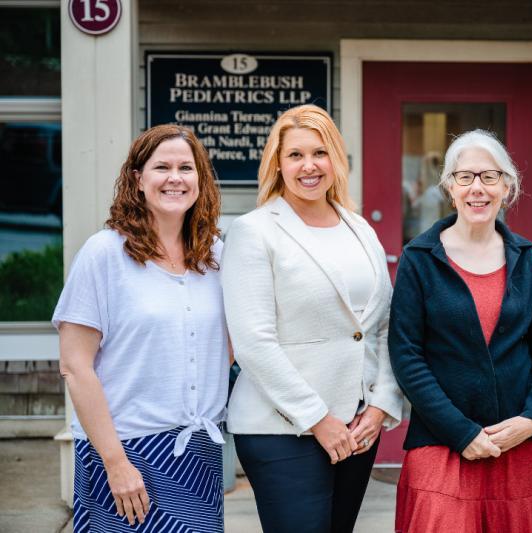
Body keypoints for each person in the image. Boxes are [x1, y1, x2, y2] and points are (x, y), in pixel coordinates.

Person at [221, 104, 403, 533]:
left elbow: (383, 326)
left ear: (336, 159)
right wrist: (319, 419)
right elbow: (253, 343)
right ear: (277, 164)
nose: (309, 166)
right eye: (295, 155)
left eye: (320, 153)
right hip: (281, 429)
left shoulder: (360, 229)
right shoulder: (254, 231)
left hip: (357, 426)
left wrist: (381, 405)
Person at [389, 129, 532, 533]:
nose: (477, 188)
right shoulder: (419, 258)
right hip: (442, 442)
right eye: (465, 176)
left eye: (489, 176)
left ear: (507, 187)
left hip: (521, 445)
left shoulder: (525, 257)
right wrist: (461, 432)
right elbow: (406, 354)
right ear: (449, 187)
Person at [54, 124, 228, 532]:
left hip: (198, 452)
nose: (175, 178)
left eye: (186, 168)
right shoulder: (103, 254)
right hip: (123, 449)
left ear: (200, 179)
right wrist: (115, 462)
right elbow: (75, 366)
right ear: (138, 179)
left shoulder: (215, 256)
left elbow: (226, 346)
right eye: (162, 167)